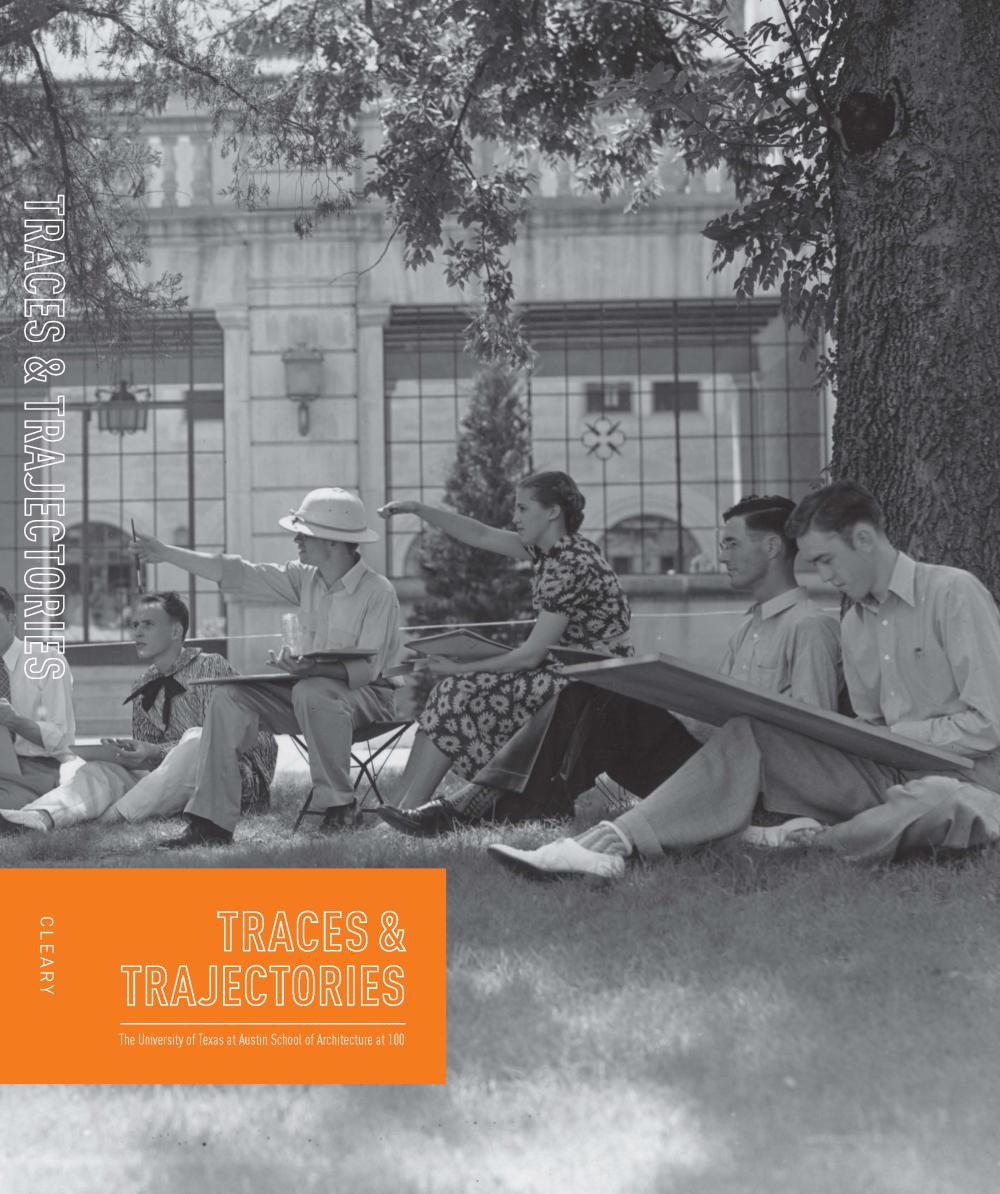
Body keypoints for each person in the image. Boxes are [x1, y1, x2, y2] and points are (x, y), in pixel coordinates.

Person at [488, 480, 1000, 879]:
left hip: (968, 779)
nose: (823, 575)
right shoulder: (854, 621)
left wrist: (893, 740)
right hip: (888, 775)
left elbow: (989, 724)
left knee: (943, 800)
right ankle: (606, 844)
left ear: (864, 539)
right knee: (752, 732)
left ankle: (799, 843)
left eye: (825, 560)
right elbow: (865, 728)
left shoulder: (953, 593)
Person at [379, 493, 841, 836]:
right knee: (600, 680)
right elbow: (720, 717)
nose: (720, 556)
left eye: (733, 544)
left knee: (599, 684)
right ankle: (510, 801)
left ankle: (490, 803)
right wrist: (672, 698)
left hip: (747, 784)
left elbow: (810, 744)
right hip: (710, 763)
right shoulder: (749, 628)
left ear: (774, 548)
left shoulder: (809, 627)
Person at [133, 488, 404, 847]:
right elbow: (236, 573)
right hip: (309, 691)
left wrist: (309, 671)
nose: (296, 539)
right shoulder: (305, 578)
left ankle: (340, 807)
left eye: (304, 533)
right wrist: (166, 554)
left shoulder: (378, 593)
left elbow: (368, 672)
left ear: (334, 542)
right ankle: (211, 824)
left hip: (368, 698)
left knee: (311, 690)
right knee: (229, 696)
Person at [375, 471, 632, 819]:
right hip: (567, 675)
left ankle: (412, 811)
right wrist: (419, 509)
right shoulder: (551, 552)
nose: (515, 517)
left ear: (553, 512)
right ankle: (398, 807)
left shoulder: (569, 564)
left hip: (589, 686)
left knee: (456, 690)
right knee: (448, 691)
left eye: (523, 509)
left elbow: (530, 656)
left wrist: (461, 666)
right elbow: (478, 533)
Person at [0, 592, 276, 835]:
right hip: (166, 784)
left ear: (176, 631)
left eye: (148, 624)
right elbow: (150, 760)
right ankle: (39, 815)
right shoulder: (143, 684)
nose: (137, 632)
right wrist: (130, 754)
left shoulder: (210, 667)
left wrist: (156, 751)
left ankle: (109, 819)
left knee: (195, 739)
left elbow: (218, 746)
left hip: (229, 782)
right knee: (101, 769)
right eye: (135, 625)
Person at [0, 585, 75, 808]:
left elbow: (62, 738)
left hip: (34, 768)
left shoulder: (47, 660)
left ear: (12, 620)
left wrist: (14, 722)